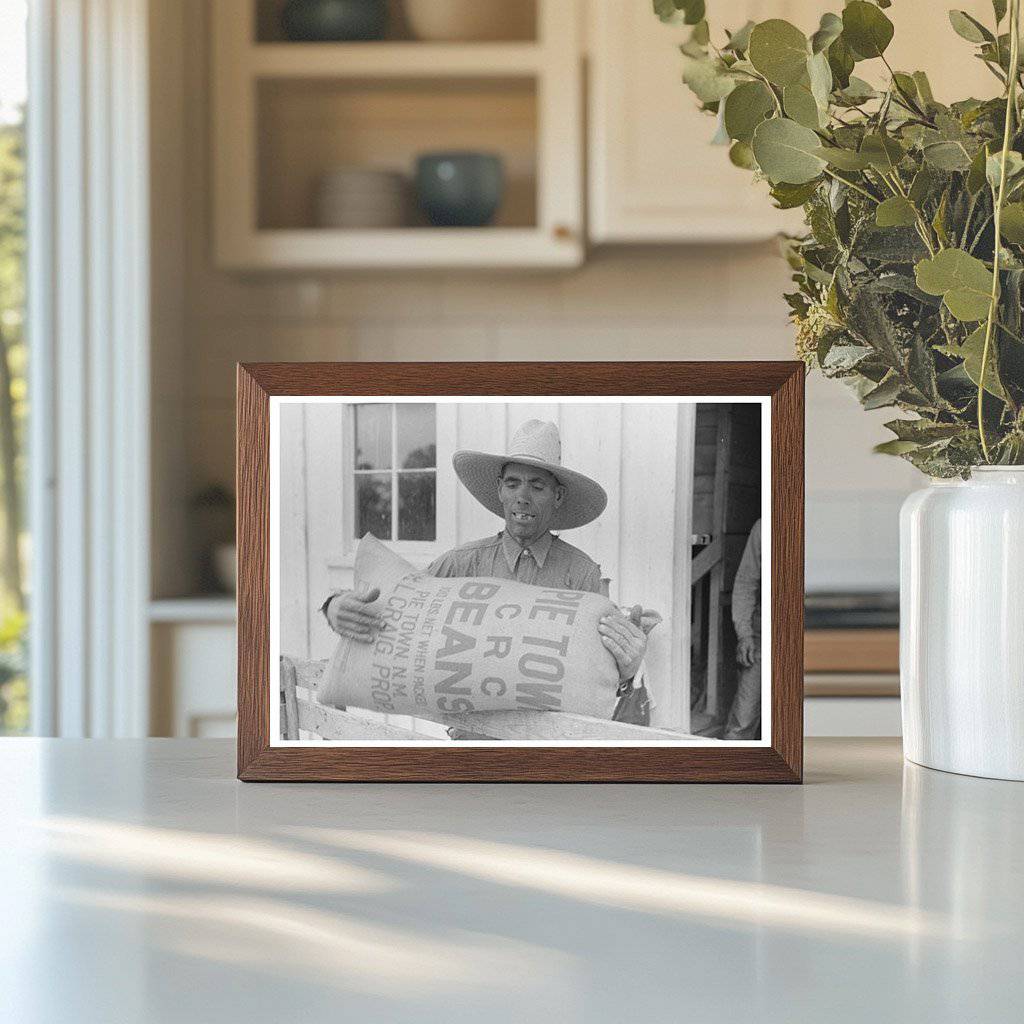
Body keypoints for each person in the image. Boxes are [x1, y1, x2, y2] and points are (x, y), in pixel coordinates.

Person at [322, 419, 652, 684]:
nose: (522, 497)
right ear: (499, 490)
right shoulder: (461, 563)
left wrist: (628, 666)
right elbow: (395, 607)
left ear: (559, 496)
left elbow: (597, 675)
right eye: (512, 484)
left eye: (537, 486)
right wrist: (335, 607)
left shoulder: (581, 573)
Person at [723, 518, 761, 740]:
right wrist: (744, 633)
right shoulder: (764, 527)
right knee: (743, 718)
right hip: (764, 632)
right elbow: (746, 581)